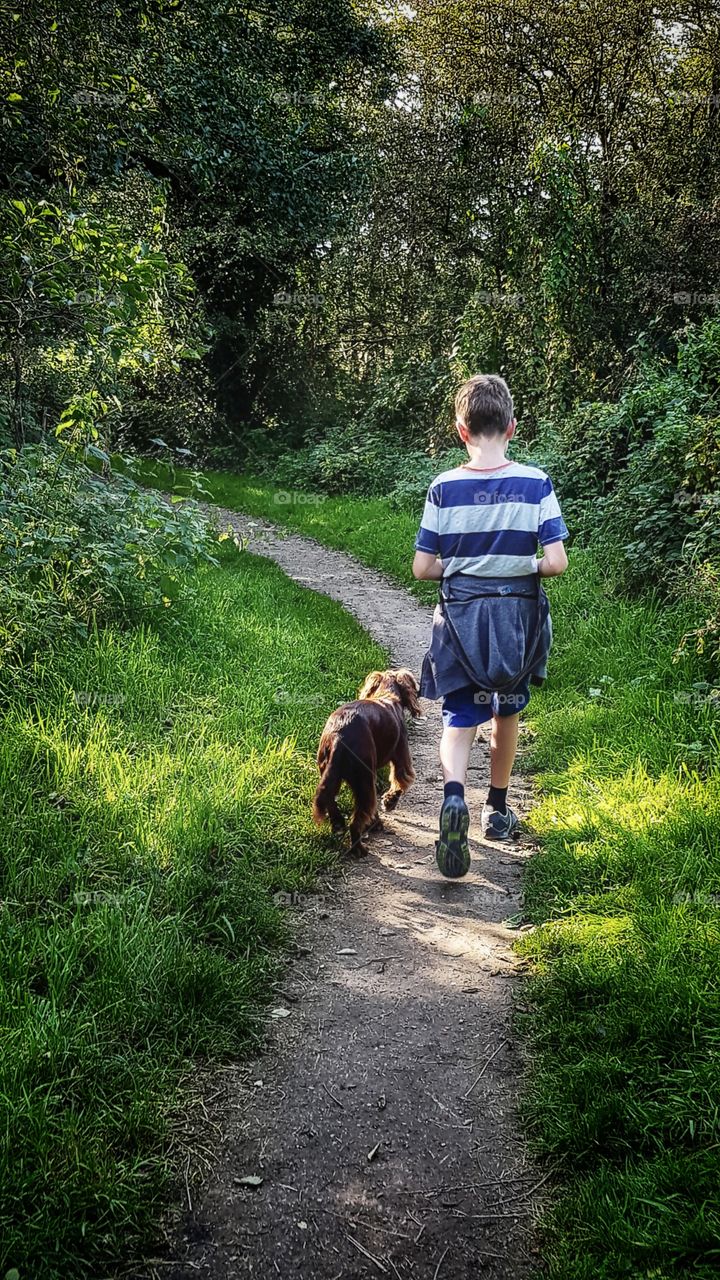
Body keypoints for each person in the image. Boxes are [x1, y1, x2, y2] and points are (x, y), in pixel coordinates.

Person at [412, 373, 568, 878]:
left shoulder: (444, 487)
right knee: (505, 713)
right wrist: (520, 566)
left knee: (460, 718)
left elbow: (423, 568)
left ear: (462, 430)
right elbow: (556, 562)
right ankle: (496, 811)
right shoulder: (535, 482)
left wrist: (463, 568)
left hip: (460, 619)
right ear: (512, 426)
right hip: (515, 620)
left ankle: (454, 796)